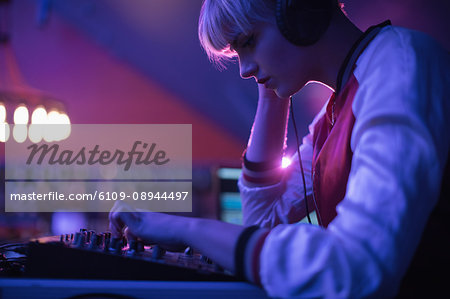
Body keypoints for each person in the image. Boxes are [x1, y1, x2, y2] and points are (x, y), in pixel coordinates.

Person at [110, 0, 450, 297]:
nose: (243, 69)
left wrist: (186, 229)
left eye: (249, 42)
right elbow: (262, 220)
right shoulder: (335, 111)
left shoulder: (399, 66)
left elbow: (356, 270)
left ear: (300, 11)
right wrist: (271, 90)